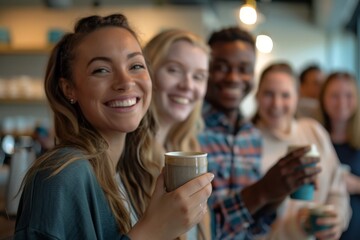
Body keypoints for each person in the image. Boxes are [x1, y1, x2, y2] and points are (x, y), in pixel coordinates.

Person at [13, 14, 213, 239]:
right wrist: (152, 231)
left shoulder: (132, 172)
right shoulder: (60, 175)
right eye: (101, 70)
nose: (126, 81)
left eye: (136, 65)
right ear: (69, 88)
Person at [198, 27, 321, 240]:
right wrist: (262, 191)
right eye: (221, 67)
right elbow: (195, 230)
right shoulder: (190, 131)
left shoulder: (251, 136)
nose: (233, 77)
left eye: (244, 68)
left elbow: (252, 228)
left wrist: (279, 190)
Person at [253, 62, 350, 240]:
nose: (276, 103)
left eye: (285, 95)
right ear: (257, 95)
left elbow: (338, 189)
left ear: (297, 97)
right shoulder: (248, 141)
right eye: (268, 94)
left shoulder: (313, 131)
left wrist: (337, 218)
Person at [143, 28, 210, 240]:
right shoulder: (125, 155)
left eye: (198, 76)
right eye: (174, 70)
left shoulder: (188, 149)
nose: (188, 85)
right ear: (146, 72)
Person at [318, 71, 360, 240]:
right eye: (334, 95)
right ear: (323, 99)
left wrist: (356, 185)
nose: (342, 102)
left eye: (348, 95)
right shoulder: (314, 139)